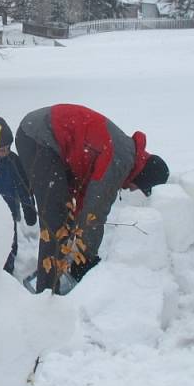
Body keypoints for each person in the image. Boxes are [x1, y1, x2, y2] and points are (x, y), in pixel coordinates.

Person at [15, 104, 169, 293]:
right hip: (39, 136)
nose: (131, 189)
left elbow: (85, 199)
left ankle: (56, 275)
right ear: (143, 177)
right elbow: (95, 209)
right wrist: (86, 258)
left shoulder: (125, 154)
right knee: (56, 220)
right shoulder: (120, 161)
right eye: (140, 188)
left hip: (46, 136)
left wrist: (81, 247)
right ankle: (46, 294)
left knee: (65, 216)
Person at [0, 111, 37, 274]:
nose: (5, 152)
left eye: (8, 148)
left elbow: (24, 186)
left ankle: (8, 274)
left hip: (9, 214)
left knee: (10, 244)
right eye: (1, 149)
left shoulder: (13, 161)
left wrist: (29, 209)